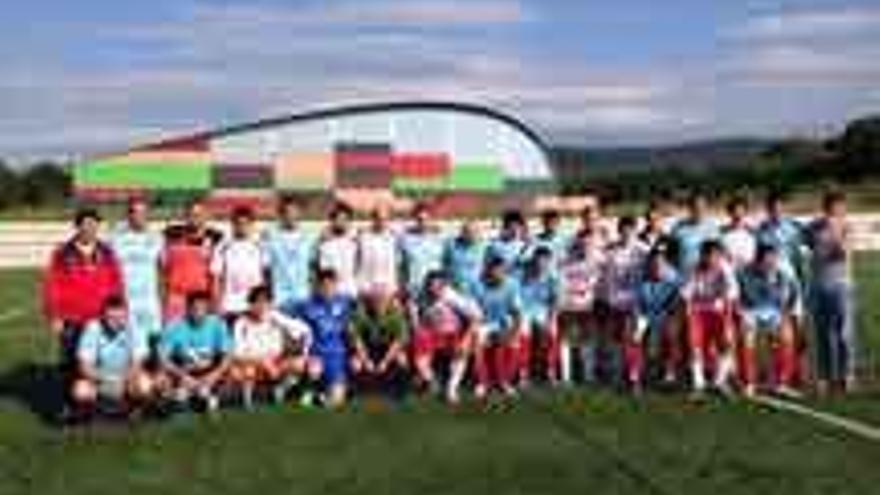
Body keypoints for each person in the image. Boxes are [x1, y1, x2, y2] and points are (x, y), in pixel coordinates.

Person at [43, 208, 123, 411]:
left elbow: (117, 283)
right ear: (77, 227)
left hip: (101, 318)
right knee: (70, 362)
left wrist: (119, 311)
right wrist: (54, 316)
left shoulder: (107, 251)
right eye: (85, 225)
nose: (90, 229)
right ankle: (69, 404)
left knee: (97, 361)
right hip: (72, 318)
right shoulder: (62, 253)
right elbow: (52, 285)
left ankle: (100, 401)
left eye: (94, 225)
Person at [283, 268, 356, 408]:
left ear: (336, 285)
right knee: (311, 369)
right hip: (315, 354)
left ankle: (317, 395)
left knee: (336, 401)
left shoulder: (345, 302)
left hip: (336, 356)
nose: (327, 289)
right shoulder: (306, 304)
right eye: (324, 286)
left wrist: (353, 351)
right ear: (318, 286)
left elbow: (361, 310)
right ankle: (305, 388)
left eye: (331, 285)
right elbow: (286, 314)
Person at [72, 295, 154, 418]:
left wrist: (123, 380)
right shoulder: (93, 327)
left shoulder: (136, 327)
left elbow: (138, 363)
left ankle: (135, 409)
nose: (114, 322)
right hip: (99, 378)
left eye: (120, 318)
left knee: (145, 385)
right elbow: (84, 366)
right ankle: (91, 412)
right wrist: (106, 379)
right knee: (80, 390)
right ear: (103, 316)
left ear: (126, 316)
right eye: (110, 318)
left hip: (127, 378)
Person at [807, 191, 856, 395]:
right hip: (819, 286)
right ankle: (824, 377)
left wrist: (835, 234)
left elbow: (843, 254)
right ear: (825, 207)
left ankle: (847, 375)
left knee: (844, 333)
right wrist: (824, 247)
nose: (835, 210)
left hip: (841, 286)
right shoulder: (813, 227)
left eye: (839, 207)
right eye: (831, 206)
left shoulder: (846, 227)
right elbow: (813, 252)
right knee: (823, 334)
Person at [230, 286, 311, 409]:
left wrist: (303, 351)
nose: (261, 306)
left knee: (299, 363)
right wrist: (262, 361)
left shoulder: (275, 317)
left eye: (265, 302)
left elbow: (305, 330)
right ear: (250, 304)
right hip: (252, 363)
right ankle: (247, 402)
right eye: (257, 302)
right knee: (246, 371)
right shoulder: (241, 323)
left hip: (276, 361)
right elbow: (237, 354)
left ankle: (281, 390)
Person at [738, 244, 802, 398]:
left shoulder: (782, 274)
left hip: (774, 311)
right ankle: (749, 383)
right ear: (758, 259)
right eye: (767, 258)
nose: (771, 262)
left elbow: (793, 294)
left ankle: (782, 383)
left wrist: (787, 313)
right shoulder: (744, 273)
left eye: (773, 258)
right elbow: (744, 297)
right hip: (750, 310)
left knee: (787, 337)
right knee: (748, 339)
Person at [411, 271, 480, 404]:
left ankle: (451, 389)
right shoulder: (422, 295)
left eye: (437, 287)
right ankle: (431, 381)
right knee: (418, 345)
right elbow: (413, 306)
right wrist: (417, 326)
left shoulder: (453, 298)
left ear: (444, 286)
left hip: (453, 333)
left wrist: (465, 340)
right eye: (430, 286)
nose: (433, 290)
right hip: (432, 333)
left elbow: (475, 318)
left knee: (461, 352)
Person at [681, 241, 739, 398]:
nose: (712, 259)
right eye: (708, 255)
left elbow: (730, 297)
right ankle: (698, 385)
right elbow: (686, 295)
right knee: (695, 347)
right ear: (702, 256)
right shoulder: (694, 269)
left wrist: (727, 323)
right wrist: (689, 316)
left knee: (727, 344)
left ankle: (719, 382)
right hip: (698, 311)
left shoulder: (725, 269)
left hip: (720, 311)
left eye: (715, 255)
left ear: (720, 256)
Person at [159, 291, 232, 413]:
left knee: (228, 379)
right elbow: (163, 358)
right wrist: (183, 376)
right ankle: (182, 397)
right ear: (187, 309)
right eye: (195, 309)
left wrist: (215, 374)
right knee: (164, 384)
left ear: (208, 309)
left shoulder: (218, 324)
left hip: (210, 372)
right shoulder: (174, 326)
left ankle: (205, 395)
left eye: (203, 309)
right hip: (184, 373)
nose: (199, 313)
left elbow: (228, 355)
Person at [599, 216, 650, 385]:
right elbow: (605, 276)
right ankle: (618, 372)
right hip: (614, 302)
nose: (627, 233)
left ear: (635, 231)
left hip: (636, 302)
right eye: (623, 229)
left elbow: (650, 274)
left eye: (630, 229)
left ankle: (634, 375)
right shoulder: (611, 250)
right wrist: (607, 297)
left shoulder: (644, 250)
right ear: (619, 231)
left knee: (633, 339)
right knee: (616, 340)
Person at [110, 197, 164, 342]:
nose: (139, 216)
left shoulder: (157, 238)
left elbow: (163, 269)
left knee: (152, 343)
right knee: (126, 343)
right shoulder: (116, 238)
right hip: (125, 301)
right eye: (135, 212)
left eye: (143, 212)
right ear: (129, 215)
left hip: (149, 302)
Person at [629, 249, 682, 391]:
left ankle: (669, 374)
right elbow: (636, 305)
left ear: (666, 265)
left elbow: (676, 305)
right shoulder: (641, 280)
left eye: (660, 264)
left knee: (671, 335)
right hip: (645, 316)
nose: (656, 267)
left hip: (665, 316)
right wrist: (638, 323)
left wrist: (670, 318)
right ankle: (635, 377)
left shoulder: (674, 280)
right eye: (653, 263)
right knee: (635, 338)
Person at [162, 198, 223, 321]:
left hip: (199, 301)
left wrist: (215, 305)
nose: (195, 218)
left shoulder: (213, 241)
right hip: (176, 300)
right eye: (191, 214)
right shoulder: (172, 239)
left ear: (206, 216)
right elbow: (163, 273)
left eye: (199, 214)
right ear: (186, 216)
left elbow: (215, 277)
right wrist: (163, 301)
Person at [472, 256, 523, 399]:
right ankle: (482, 382)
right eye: (495, 271)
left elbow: (517, 313)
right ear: (488, 271)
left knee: (514, 344)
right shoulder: (477, 285)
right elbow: (474, 313)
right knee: (477, 341)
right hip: (483, 322)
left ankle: (504, 381)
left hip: (503, 321)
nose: (498, 274)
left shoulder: (512, 285)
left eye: (502, 271)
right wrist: (486, 333)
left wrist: (512, 333)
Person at [558, 234, 605, 385]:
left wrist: (582, 290)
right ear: (575, 246)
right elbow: (561, 284)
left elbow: (596, 284)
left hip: (587, 306)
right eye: (581, 245)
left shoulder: (595, 264)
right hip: (568, 306)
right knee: (566, 341)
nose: (584, 248)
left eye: (587, 246)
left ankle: (588, 375)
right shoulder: (565, 263)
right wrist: (572, 293)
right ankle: (566, 377)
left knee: (588, 340)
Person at [349, 290, 409, 400]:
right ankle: (356, 391)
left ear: (387, 303)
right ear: (370, 303)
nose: (379, 305)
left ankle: (400, 390)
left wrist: (385, 361)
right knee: (354, 363)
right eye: (376, 302)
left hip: (387, 348)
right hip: (369, 348)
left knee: (402, 359)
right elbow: (357, 340)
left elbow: (398, 342)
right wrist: (366, 360)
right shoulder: (361, 315)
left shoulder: (396, 316)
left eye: (382, 302)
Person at [210, 206, 265, 320]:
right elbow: (216, 278)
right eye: (238, 223)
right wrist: (217, 305)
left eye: (246, 224)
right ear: (232, 225)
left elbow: (264, 276)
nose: (242, 227)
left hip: (252, 307)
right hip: (230, 307)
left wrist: (263, 303)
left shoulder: (259, 245)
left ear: (252, 225)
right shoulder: (223, 246)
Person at [517, 247, 561, 385]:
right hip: (524, 310)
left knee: (552, 332)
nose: (541, 263)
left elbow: (555, 300)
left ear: (549, 261)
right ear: (534, 259)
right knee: (523, 335)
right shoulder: (522, 274)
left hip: (543, 310)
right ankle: (523, 372)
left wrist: (551, 318)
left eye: (545, 261)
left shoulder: (553, 276)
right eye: (539, 260)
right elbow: (515, 296)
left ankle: (550, 371)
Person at [262, 195, 315, 308]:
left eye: (294, 212)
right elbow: (266, 268)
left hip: (302, 294)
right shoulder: (271, 238)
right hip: (279, 295)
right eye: (287, 212)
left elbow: (313, 266)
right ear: (281, 215)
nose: (290, 216)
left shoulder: (309, 238)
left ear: (299, 214)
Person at [398, 202, 446, 316]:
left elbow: (446, 264)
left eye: (426, 219)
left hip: (434, 292)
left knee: (434, 327)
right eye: (419, 219)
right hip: (414, 291)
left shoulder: (441, 239)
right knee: (415, 329)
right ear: (415, 219)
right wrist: (403, 288)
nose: (423, 222)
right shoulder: (405, 239)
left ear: (431, 219)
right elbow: (401, 267)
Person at [755, 191, 806, 280]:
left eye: (778, 208)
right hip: (770, 273)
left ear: (782, 207)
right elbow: (759, 253)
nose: (776, 211)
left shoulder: (792, 226)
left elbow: (798, 252)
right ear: (768, 209)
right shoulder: (762, 229)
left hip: (789, 270)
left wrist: (801, 272)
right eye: (773, 209)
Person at [670, 192, 721, 274]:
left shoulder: (713, 228)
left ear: (706, 208)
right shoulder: (679, 227)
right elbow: (671, 253)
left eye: (702, 207)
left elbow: (717, 254)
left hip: (706, 277)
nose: (698, 210)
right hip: (684, 275)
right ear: (689, 208)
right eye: (695, 207)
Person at [315, 202, 359, 297]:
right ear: (332, 220)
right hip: (331, 291)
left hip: (350, 290)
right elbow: (322, 269)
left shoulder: (355, 239)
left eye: (345, 219)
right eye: (338, 219)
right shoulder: (325, 243)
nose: (341, 222)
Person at [356, 205, 400, 297]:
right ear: (373, 219)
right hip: (366, 286)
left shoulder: (393, 237)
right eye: (378, 218)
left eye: (384, 219)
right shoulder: (363, 237)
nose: (381, 222)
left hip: (387, 287)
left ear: (388, 220)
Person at [442, 219, 487, 297]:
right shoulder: (451, 245)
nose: (471, 235)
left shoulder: (483, 247)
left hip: (475, 291)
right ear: (462, 232)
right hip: (454, 290)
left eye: (474, 232)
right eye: (468, 232)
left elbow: (486, 266)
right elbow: (444, 263)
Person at [486, 209, 529, 274]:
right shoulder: (496, 245)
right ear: (505, 227)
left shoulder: (525, 246)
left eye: (517, 227)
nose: (514, 231)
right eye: (510, 227)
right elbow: (489, 263)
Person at [721, 196, 757, 270]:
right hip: (730, 271)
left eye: (741, 210)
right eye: (735, 211)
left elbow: (755, 254)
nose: (738, 214)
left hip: (749, 270)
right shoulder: (722, 233)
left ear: (745, 212)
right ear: (729, 213)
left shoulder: (752, 232)